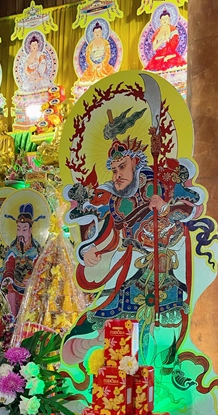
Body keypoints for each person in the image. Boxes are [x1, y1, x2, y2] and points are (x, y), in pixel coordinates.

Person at [62, 125, 198, 365]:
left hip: (163, 262)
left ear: (136, 163)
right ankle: (119, 367)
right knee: (117, 315)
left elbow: (189, 207)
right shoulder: (115, 200)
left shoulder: (160, 182)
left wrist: (165, 208)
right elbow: (106, 233)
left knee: (160, 325)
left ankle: (155, 369)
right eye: (114, 170)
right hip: (130, 263)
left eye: (122, 167)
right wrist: (89, 250)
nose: (117, 175)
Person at [0, 204, 42, 317]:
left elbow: (39, 269)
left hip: (30, 288)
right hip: (14, 287)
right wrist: (8, 277)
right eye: (18, 229)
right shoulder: (13, 250)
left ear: (30, 230)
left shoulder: (36, 251)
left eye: (24, 229)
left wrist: (32, 279)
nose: (21, 233)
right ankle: (12, 322)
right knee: (10, 294)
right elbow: (9, 266)